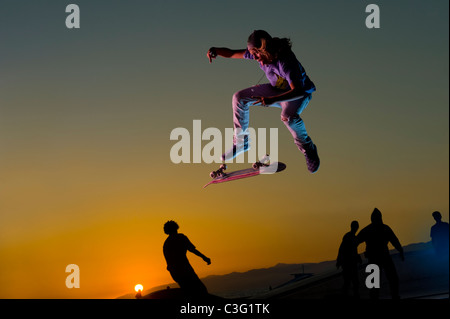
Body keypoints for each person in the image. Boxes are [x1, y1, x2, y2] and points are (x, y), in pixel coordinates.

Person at [207, 30, 320, 173]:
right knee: (239, 98)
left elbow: (298, 90)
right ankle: (241, 142)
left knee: (288, 118)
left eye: (257, 55)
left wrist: (272, 99)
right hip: (276, 90)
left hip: (298, 95)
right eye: (252, 55)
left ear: (265, 49)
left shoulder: (285, 62)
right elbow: (232, 53)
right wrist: (215, 50)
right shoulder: (257, 54)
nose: (255, 59)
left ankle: (308, 148)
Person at [356, 208, 404, 299]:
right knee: (391, 278)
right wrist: (400, 251)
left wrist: (356, 255)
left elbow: (355, 242)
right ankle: (394, 296)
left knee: (378, 281)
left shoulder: (367, 230)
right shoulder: (385, 228)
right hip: (382, 257)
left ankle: (381, 297)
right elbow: (395, 241)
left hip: (375, 258)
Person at [163, 220, 211, 298]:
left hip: (175, 272)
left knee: (189, 291)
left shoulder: (166, 243)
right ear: (176, 228)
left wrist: (204, 257)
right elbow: (192, 250)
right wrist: (204, 257)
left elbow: (168, 262)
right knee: (201, 289)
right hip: (184, 269)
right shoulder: (181, 237)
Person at [336, 221, 362, 298]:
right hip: (348, 263)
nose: (356, 228)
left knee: (352, 282)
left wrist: (357, 257)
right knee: (349, 281)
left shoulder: (352, 237)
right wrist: (339, 261)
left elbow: (351, 250)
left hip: (351, 263)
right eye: (356, 226)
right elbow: (343, 249)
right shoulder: (349, 237)